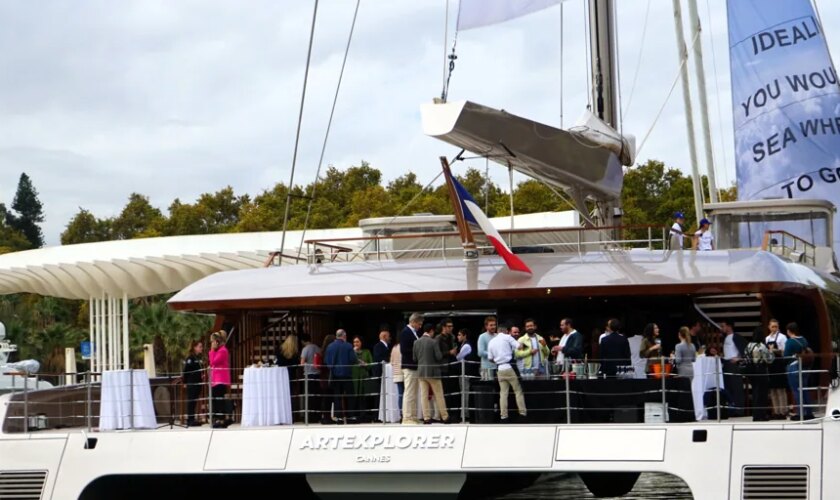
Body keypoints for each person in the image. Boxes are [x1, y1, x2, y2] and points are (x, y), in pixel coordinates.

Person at [488, 324, 527, 422]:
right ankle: (522, 414)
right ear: (505, 331)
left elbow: (490, 358)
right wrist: (527, 346)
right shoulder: (507, 337)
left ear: (498, 331)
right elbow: (519, 346)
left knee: (503, 393)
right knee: (518, 391)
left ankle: (503, 416)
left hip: (500, 369)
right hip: (509, 367)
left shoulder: (491, 341)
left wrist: (498, 361)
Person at [413, 323, 451, 424]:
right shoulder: (433, 342)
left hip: (421, 372)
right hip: (433, 372)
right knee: (439, 395)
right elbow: (439, 357)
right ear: (431, 331)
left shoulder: (416, 342)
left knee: (424, 396)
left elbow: (414, 358)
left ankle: (426, 418)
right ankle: (445, 417)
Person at [324, 329, 357, 423]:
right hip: (347, 375)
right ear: (344, 336)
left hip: (335, 375)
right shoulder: (348, 346)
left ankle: (338, 418)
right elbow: (353, 359)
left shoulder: (330, 347)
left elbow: (327, 362)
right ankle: (351, 417)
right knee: (350, 396)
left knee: (337, 396)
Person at [784, 322, 814, 421]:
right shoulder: (803, 339)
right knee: (804, 389)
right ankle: (809, 412)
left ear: (789, 331)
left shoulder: (790, 342)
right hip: (805, 367)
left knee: (796, 390)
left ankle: (800, 413)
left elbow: (786, 356)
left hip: (794, 367)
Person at [745, 326, 774, 421]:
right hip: (761, 370)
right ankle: (761, 415)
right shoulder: (761, 346)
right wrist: (771, 350)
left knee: (755, 393)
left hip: (751, 371)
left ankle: (755, 414)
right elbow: (769, 359)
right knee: (762, 394)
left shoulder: (748, 345)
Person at [399, 312, 424, 424]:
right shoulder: (405, 332)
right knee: (409, 392)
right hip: (409, 366)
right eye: (419, 324)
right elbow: (403, 350)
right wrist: (417, 352)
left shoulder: (414, 333)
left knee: (413, 393)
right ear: (413, 322)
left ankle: (413, 416)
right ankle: (407, 417)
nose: (420, 326)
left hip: (414, 366)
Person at [720, 320, 746, 417]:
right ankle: (731, 409)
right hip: (726, 363)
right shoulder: (725, 338)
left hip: (733, 364)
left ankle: (739, 410)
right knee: (728, 387)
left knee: (736, 387)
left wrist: (739, 358)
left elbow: (745, 349)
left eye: (723, 326)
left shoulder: (736, 337)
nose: (722, 328)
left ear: (729, 326)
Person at [764, 319, 789, 420]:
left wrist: (775, 350)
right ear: (769, 327)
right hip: (771, 365)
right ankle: (776, 411)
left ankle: (783, 411)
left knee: (780, 389)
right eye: (772, 326)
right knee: (773, 390)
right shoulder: (767, 338)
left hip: (779, 364)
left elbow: (785, 351)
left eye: (776, 327)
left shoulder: (782, 337)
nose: (774, 328)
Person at [208, 330, 231, 428]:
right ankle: (217, 418)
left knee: (219, 400)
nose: (212, 344)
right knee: (216, 400)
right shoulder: (219, 351)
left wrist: (212, 350)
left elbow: (213, 361)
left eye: (213, 342)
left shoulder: (223, 350)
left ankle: (221, 419)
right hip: (216, 379)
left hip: (220, 379)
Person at [436, 319, 458, 415]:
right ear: (443, 327)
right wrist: (449, 352)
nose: (451, 328)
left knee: (455, 390)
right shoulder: (438, 338)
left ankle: (455, 413)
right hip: (444, 368)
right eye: (449, 326)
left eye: (452, 326)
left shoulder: (452, 337)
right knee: (445, 391)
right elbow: (437, 354)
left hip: (453, 366)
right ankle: (446, 413)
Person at [299, 333, 321, 424]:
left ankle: (310, 417)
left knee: (309, 396)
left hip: (308, 374)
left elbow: (302, 363)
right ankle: (317, 415)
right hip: (317, 373)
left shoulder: (305, 349)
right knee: (316, 396)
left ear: (303, 341)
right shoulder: (317, 347)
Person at [351, 336, 374, 422]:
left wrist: (366, 364)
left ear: (361, 342)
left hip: (364, 377)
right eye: (354, 342)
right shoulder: (351, 352)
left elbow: (371, 364)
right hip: (354, 377)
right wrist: (353, 352)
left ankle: (363, 416)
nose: (356, 344)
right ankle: (354, 416)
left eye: (357, 342)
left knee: (363, 398)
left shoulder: (367, 352)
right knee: (354, 397)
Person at [182, 339, 204, 427]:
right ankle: (190, 420)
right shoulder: (190, 358)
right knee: (191, 401)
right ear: (195, 348)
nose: (201, 348)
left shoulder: (198, 358)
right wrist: (185, 382)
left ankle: (193, 419)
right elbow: (185, 371)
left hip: (198, 383)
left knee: (194, 401)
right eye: (200, 347)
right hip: (192, 383)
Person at [318, 334, 336, 424]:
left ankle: (325, 417)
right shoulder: (330, 352)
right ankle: (327, 418)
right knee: (328, 398)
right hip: (329, 377)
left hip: (323, 377)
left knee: (325, 398)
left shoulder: (322, 352)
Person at [477, 316, 498, 381]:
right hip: (486, 368)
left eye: (494, 325)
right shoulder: (482, 336)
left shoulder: (497, 336)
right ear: (486, 326)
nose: (493, 327)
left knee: (498, 388)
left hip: (497, 367)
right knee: (488, 388)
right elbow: (480, 352)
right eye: (491, 325)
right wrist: (493, 355)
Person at [390, 343, 404, 417]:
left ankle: (401, 414)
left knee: (400, 395)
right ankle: (405, 413)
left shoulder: (394, 347)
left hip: (396, 374)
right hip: (404, 373)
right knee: (406, 395)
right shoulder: (404, 346)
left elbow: (391, 362)